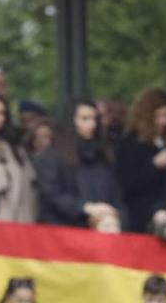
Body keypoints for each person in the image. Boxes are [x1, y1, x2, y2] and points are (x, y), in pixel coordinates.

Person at [33, 98, 125, 230]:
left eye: (94, 119)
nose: (92, 124)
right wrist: (86, 208)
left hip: (104, 232)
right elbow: (52, 196)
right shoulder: (51, 157)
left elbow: (117, 196)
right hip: (64, 235)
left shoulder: (103, 155)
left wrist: (115, 217)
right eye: (84, 119)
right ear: (70, 121)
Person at [117, 85, 166, 229]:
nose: (163, 121)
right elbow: (126, 183)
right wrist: (153, 165)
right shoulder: (131, 142)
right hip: (141, 217)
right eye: (158, 116)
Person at [0, 90, 36, 221]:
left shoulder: (14, 147)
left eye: (1, 113)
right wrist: (1, 174)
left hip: (20, 225)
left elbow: (29, 190)